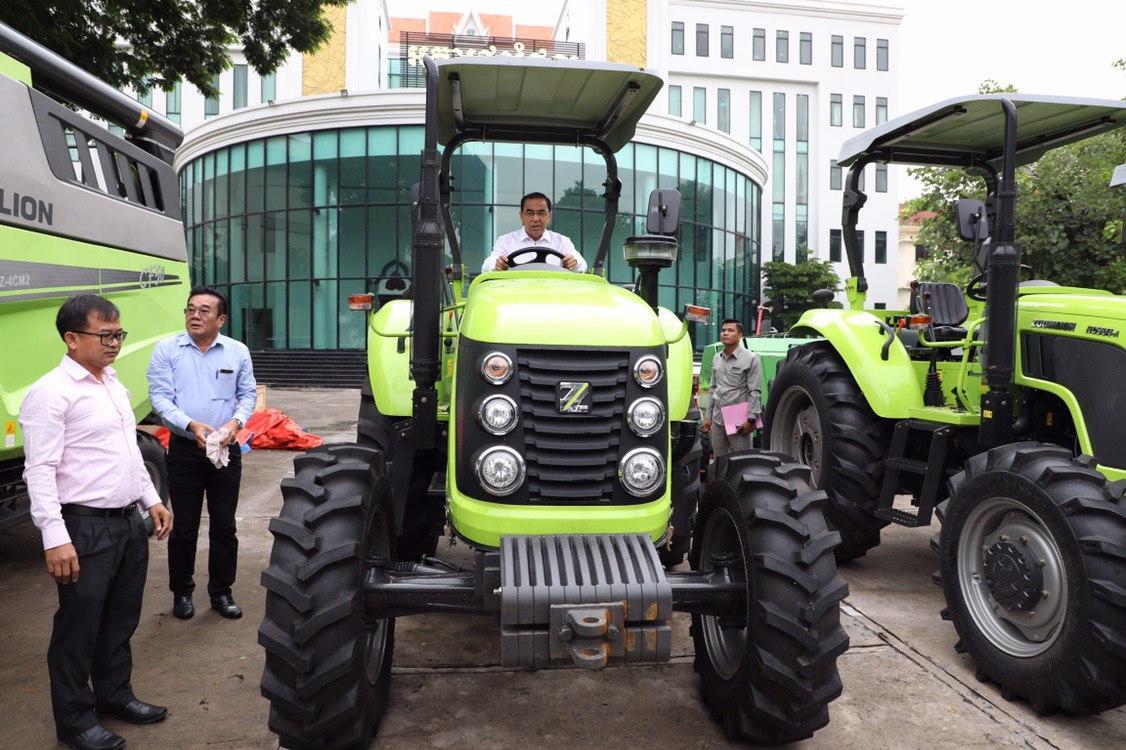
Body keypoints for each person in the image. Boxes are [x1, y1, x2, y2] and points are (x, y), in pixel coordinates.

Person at [20, 294, 173, 750]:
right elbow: (40, 470)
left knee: (120, 620)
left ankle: (115, 696)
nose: (114, 344)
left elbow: (127, 450)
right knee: (78, 629)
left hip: (127, 523)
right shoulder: (51, 393)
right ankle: (74, 722)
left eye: (118, 334)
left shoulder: (111, 382)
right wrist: (54, 536)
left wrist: (150, 499)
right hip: (84, 528)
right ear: (71, 339)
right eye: (104, 335)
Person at [147, 286, 256, 621]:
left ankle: (222, 593)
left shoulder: (237, 352)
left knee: (224, 526)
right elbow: (160, 399)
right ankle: (182, 593)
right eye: (190, 309)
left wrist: (235, 424)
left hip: (226, 449)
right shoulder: (167, 350)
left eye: (204, 310)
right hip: (184, 449)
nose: (195, 315)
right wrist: (191, 425)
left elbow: (247, 394)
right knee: (185, 528)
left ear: (221, 319)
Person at [481, 192, 588, 273]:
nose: (536, 219)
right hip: (515, 297)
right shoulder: (505, 241)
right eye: (530, 213)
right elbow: (486, 266)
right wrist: (496, 264)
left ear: (549, 216)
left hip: (553, 297)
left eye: (541, 213)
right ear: (521, 216)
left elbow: (582, 265)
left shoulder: (562, 242)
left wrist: (574, 263)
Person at [702, 318, 762, 457]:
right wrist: (708, 417)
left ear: (740, 335)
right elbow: (713, 389)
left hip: (739, 419)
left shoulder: (751, 358)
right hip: (718, 418)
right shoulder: (717, 358)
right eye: (723, 330)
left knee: (742, 460)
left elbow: (755, 391)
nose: (725, 333)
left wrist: (751, 420)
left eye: (730, 330)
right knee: (719, 460)